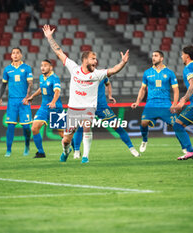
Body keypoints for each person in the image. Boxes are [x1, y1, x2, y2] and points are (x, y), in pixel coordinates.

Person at [42, 24, 129, 164]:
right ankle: (66, 151)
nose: (96, 61)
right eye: (93, 58)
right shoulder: (74, 68)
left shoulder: (98, 74)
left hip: (89, 107)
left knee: (86, 125)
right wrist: (50, 38)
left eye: (96, 59)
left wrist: (123, 63)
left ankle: (85, 157)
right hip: (73, 109)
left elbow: (113, 70)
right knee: (66, 140)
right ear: (85, 60)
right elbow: (59, 52)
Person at [131, 50, 184, 154]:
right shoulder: (147, 73)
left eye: (155, 56)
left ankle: (185, 147)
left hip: (165, 103)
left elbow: (176, 90)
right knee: (143, 123)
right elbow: (142, 89)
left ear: (161, 58)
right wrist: (137, 102)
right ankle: (144, 140)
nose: (153, 58)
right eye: (152, 56)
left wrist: (174, 104)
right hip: (151, 103)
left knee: (176, 125)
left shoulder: (169, 73)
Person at [73, 77, 139, 158]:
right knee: (81, 127)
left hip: (102, 107)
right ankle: (76, 151)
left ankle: (132, 148)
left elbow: (108, 83)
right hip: (88, 106)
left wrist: (110, 96)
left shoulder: (102, 75)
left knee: (117, 126)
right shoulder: (82, 76)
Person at [0, 47, 33, 157]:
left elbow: (30, 83)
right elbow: (4, 84)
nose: (15, 55)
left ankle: (27, 146)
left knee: (26, 127)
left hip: (23, 100)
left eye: (18, 53)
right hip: (12, 101)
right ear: (11, 56)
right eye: (13, 53)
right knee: (11, 126)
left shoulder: (26, 68)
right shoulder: (7, 69)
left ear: (21, 55)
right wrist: (0, 97)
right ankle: (8, 150)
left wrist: (27, 96)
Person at [26, 59, 64, 158]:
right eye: (42, 65)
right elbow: (41, 88)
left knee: (62, 134)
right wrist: (33, 96)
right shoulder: (41, 77)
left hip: (56, 107)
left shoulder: (55, 78)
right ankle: (41, 152)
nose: (43, 67)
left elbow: (57, 92)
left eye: (45, 65)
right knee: (34, 128)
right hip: (44, 107)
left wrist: (53, 102)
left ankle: (75, 149)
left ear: (51, 67)